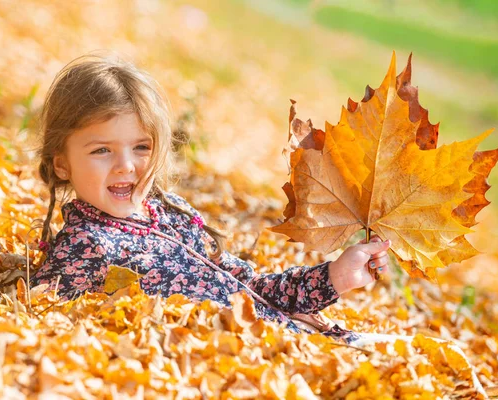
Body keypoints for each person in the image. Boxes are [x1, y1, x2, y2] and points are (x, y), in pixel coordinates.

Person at [29, 52, 391, 344]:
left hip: (308, 340)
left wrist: (335, 277)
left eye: (141, 147)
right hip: (259, 362)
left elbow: (252, 286)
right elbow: (47, 318)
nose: (126, 166)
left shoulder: (172, 215)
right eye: (102, 150)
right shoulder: (85, 246)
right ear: (62, 163)